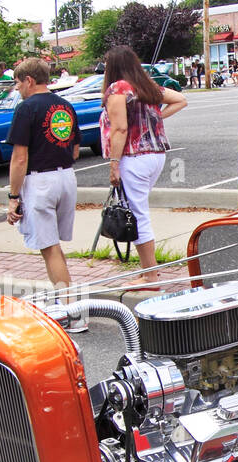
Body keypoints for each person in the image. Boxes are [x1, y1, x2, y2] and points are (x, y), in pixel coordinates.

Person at [101, 45, 187, 289]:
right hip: (155, 155)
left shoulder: (118, 89)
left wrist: (114, 164)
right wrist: (155, 119)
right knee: (138, 211)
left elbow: (120, 129)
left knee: (138, 215)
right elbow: (181, 99)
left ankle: (150, 276)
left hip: (133, 157)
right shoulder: (146, 87)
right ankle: (148, 273)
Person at [4, 57, 80, 317]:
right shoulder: (66, 106)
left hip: (40, 181)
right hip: (67, 177)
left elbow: (19, 158)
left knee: (49, 248)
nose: (17, 89)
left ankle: (71, 310)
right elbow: (76, 148)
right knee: (54, 247)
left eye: (17, 83)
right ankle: (67, 299)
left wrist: (13, 196)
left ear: (29, 80)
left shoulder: (26, 109)